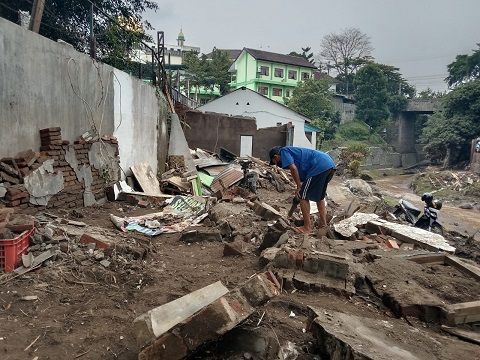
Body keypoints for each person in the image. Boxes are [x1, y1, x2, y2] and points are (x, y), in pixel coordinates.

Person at [269, 146, 336, 235]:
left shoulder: (283, 151)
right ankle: (323, 224)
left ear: (276, 157)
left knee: (303, 197)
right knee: (319, 197)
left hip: (319, 166)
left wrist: (299, 187)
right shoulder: (295, 154)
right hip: (329, 165)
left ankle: (307, 227)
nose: (277, 165)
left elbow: (293, 168)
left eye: (275, 162)